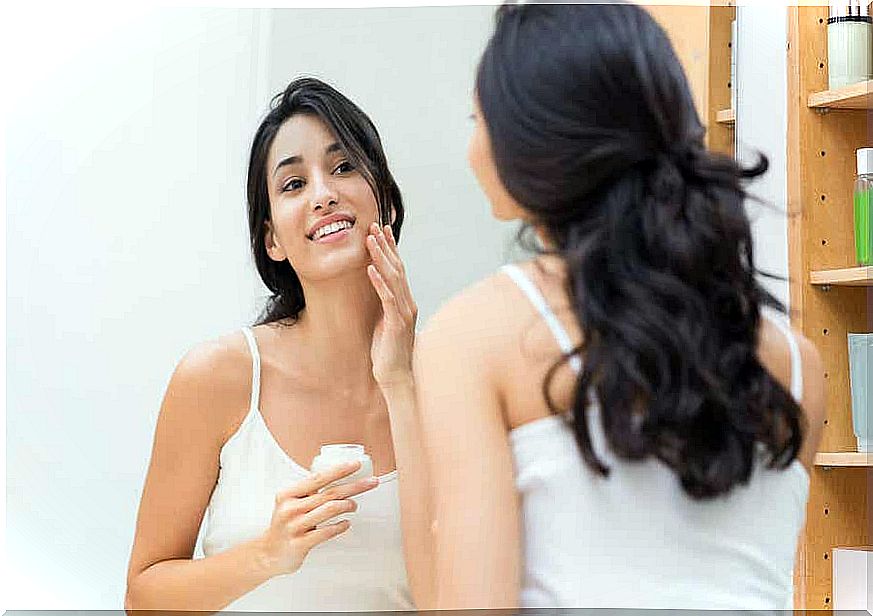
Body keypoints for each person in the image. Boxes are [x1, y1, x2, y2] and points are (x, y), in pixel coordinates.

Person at [411, 3, 826, 610]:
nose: (473, 147)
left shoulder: (474, 337)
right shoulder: (797, 365)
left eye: (480, 119)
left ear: (539, 142)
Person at [125, 77, 422, 611]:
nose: (323, 193)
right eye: (292, 184)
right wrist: (267, 554)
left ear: (387, 204)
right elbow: (144, 597)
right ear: (273, 241)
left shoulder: (448, 381)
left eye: (344, 167)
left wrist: (401, 383)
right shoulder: (217, 378)